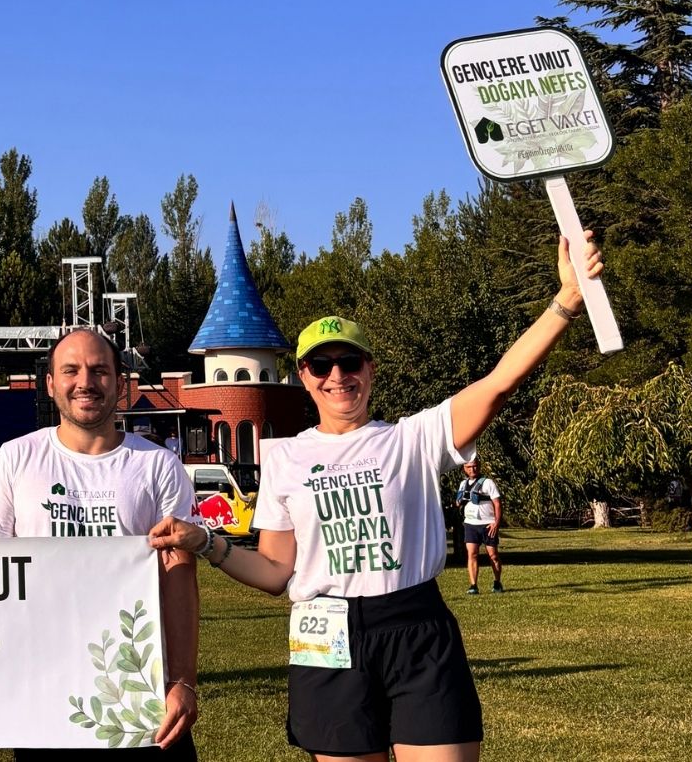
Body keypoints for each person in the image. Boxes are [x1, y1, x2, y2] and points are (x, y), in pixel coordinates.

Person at [150, 234, 603, 762]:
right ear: (303, 377)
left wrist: (566, 302)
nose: (337, 376)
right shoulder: (286, 458)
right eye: (321, 366)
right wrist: (205, 542)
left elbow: (499, 384)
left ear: (370, 369)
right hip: (324, 636)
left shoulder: (413, 438)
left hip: (416, 627)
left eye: (350, 362)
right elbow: (275, 571)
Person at [0, 328, 198, 759]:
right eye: (70, 370)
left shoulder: (158, 466)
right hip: (43, 691)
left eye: (99, 371)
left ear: (120, 382)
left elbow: (178, 577)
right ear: (50, 383)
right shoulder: (15, 459)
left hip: (140, 688)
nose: (85, 383)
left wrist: (183, 680)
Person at [455, 460, 503, 594]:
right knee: (472, 554)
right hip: (470, 524)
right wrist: (459, 500)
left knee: (493, 555)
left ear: (479, 466)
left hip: (488, 524)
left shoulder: (488, 483)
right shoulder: (463, 484)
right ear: (464, 468)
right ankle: (473, 585)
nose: (472, 469)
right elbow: (458, 503)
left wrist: (496, 523)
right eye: (469, 467)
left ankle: (497, 582)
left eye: (475, 466)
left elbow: (497, 504)